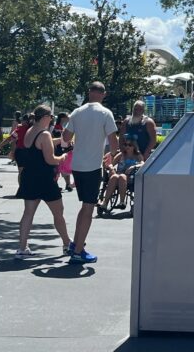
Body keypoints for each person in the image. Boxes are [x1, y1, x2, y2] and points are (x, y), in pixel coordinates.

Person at [62, 82, 121, 264]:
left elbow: (65, 138)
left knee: (84, 206)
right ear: (103, 94)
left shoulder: (77, 112)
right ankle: (79, 251)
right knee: (89, 208)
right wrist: (112, 156)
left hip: (77, 166)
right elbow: (114, 143)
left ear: (89, 93)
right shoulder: (105, 113)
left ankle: (76, 243)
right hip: (92, 167)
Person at [13, 105, 72, 258]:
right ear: (45, 117)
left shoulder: (30, 131)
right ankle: (67, 243)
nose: (52, 119)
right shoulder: (44, 134)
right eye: (51, 116)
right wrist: (63, 158)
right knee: (58, 212)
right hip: (44, 179)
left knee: (28, 213)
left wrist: (59, 140)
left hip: (29, 176)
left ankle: (22, 247)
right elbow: (50, 159)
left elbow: (41, 144)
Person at [101, 138, 143, 213]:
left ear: (134, 146)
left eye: (130, 145)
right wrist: (111, 168)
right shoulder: (121, 154)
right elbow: (111, 164)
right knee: (114, 176)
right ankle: (105, 202)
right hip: (118, 176)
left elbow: (143, 163)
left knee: (122, 176)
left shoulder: (137, 155)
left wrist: (133, 167)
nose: (127, 146)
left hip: (130, 177)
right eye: (125, 145)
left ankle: (122, 201)